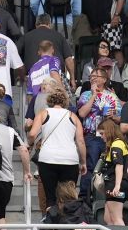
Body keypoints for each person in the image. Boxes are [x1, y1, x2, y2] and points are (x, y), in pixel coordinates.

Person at [28, 85, 87, 213]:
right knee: (68, 197)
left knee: (50, 198)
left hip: (47, 159)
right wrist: (83, 162)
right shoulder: (73, 116)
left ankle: (51, 228)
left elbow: (32, 134)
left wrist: (29, 143)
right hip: (69, 160)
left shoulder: (43, 113)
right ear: (65, 101)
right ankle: (66, 229)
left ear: (49, 100)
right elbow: (81, 141)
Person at [77, 67, 122, 195]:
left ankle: (104, 196)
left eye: (96, 76)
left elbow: (120, 118)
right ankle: (84, 198)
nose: (93, 78)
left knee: (107, 167)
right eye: (91, 76)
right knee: (90, 166)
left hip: (108, 136)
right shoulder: (86, 94)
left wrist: (113, 116)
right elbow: (82, 113)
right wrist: (94, 95)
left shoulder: (112, 95)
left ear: (104, 79)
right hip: (91, 136)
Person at [95, 117, 128, 226]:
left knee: (116, 218)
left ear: (108, 131)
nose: (101, 137)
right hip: (112, 182)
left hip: (115, 182)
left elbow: (119, 165)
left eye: (102, 133)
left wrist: (117, 185)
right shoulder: (117, 144)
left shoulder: (116, 145)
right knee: (108, 218)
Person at [21, 14, 74, 83]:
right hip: (56, 78)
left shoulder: (26, 36)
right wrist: (72, 79)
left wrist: (20, 76)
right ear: (49, 24)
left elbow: (15, 54)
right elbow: (69, 59)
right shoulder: (59, 36)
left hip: (33, 78)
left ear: (36, 24)